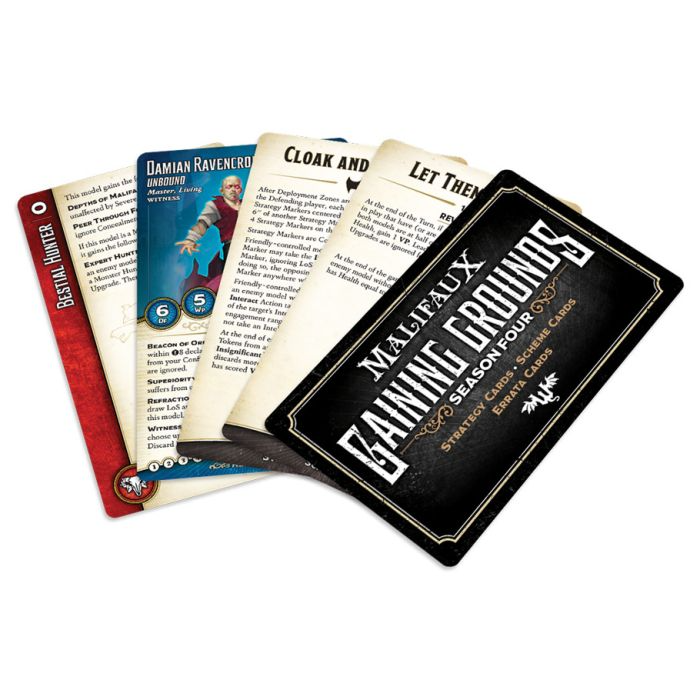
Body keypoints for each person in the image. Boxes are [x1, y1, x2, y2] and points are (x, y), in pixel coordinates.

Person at [175, 175, 243, 292]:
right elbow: (202, 224)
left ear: (240, 190)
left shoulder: (247, 203)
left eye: (236, 187)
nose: (233, 190)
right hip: (232, 247)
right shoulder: (216, 206)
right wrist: (191, 239)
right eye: (229, 187)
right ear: (222, 190)